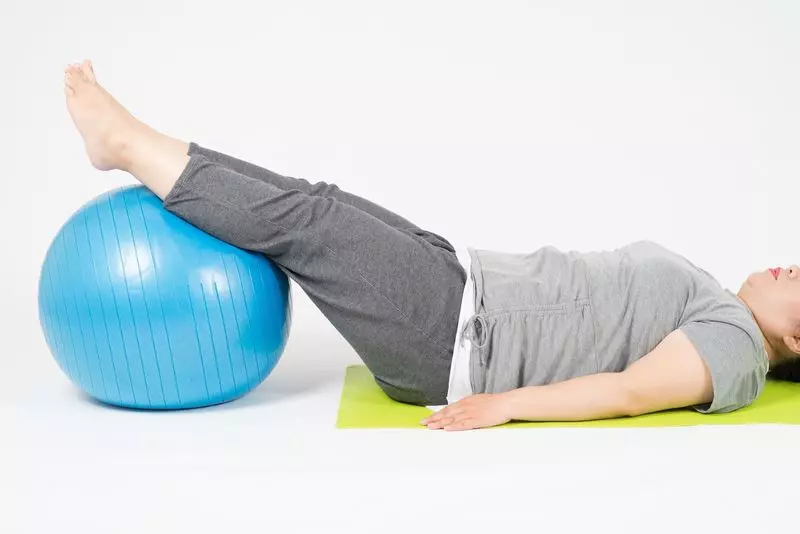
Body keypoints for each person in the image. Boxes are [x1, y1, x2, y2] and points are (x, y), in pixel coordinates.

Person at [63, 60, 800, 431]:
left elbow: (633, 392)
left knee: (303, 222)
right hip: (458, 287)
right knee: (315, 200)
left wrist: (504, 406)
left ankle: (123, 144)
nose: (792, 267)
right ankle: (141, 143)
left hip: (452, 338)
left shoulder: (736, 345)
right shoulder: (721, 304)